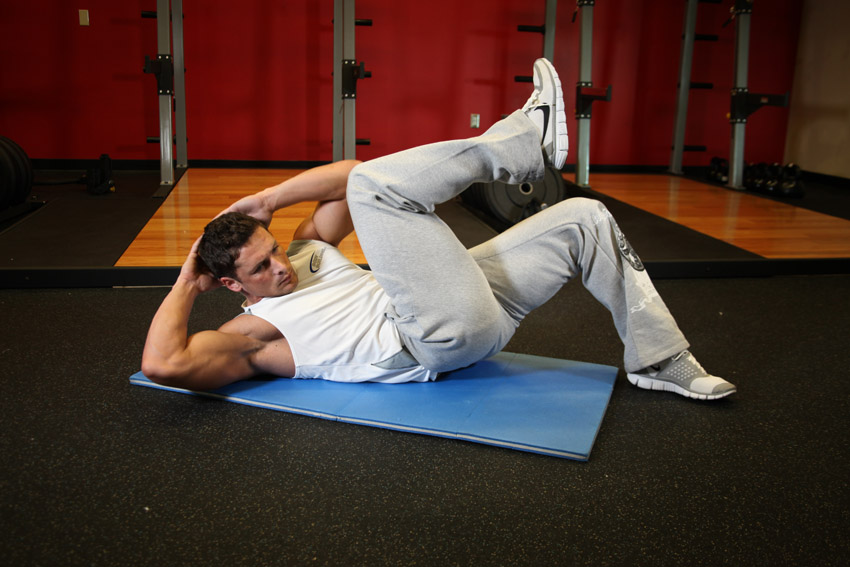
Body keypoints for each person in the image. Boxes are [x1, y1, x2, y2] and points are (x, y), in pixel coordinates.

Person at [142, 59, 736, 401]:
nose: (281, 265)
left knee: (585, 218)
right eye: (262, 268)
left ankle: (658, 360)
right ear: (229, 284)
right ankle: (525, 140)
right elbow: (164, 364)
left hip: (473, 302)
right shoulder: (253, 335)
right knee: (377, 190)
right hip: (432, 338)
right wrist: (187, 277)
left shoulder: (308, 253)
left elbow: (350, 174)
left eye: (273, 250)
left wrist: (271, 197)